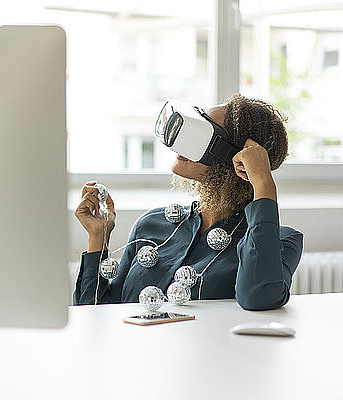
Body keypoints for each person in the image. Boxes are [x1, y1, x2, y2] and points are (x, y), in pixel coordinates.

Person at [73, 94, 304, 311]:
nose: (183, 143)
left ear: (239, 157)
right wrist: (98, 237)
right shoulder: (152, 224)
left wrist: (263, 184)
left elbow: (259, 297)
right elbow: (96, 314)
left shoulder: (282, 242)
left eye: (203, 133)